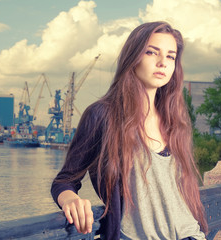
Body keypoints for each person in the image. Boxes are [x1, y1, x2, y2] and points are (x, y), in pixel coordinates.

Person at [51, 21, 208, 240]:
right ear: (133, 57)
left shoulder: (174, 120)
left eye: (171, 56)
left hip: (191, 235)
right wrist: (71, 200)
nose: (162, 63)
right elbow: (65, 180)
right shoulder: (103, 115)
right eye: (152, 52)